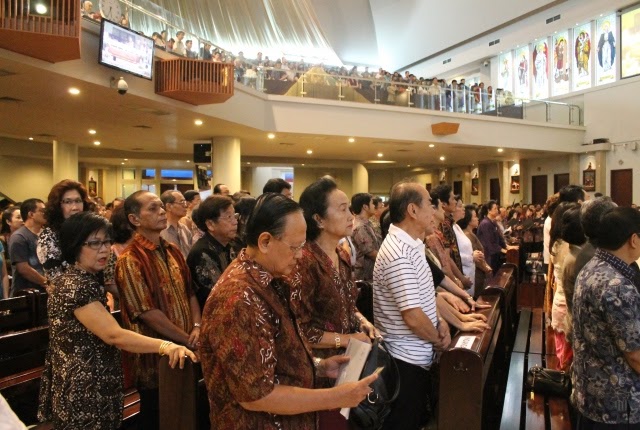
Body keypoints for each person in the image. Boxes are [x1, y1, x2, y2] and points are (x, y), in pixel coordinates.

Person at [199, 193, 378, 429]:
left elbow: (274, 357)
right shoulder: (238, 297)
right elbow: (257, 396)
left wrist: (317, 366)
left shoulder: (271, 277)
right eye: (295, 247)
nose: (300, 255)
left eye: (303, 246)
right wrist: (337, 397)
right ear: (265, 242)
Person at [37, 212, 196, 429]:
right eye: (94, 243)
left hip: (97, 382)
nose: (104, 249)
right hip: (84, 388)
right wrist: (165, 345)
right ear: (74, 245)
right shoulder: (75, 286)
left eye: (106, 242)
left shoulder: (86, 279)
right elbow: (114, 334)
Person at [288, 178, 379, 428]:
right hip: (320, 371)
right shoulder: (304, 261)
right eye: (342, 209)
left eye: (350, 208)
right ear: (318, 219)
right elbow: (300, 331)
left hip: (349, 363)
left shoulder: (342, 254)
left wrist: (363, 322)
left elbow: (348, 303)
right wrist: (347, 339)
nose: (351, 215)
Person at [116, 191, 202, 430]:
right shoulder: (130, 259)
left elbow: (190, 292)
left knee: (187, 413)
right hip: (154, 360)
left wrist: (197, 327)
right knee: (158, 418)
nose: (162, 211)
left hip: (186, 348)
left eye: (161, 207)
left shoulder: (173, 250)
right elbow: (146, 312)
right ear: (135, 219)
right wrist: (188, 340)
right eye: (153, 209)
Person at [373, 181, 450, 430]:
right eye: (429, 203)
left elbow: (423, 297)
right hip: (404, 361)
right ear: (412, 210)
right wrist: (438, 339)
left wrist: (440, 321)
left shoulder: (413, 245)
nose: (434, 210)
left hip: (416, 357)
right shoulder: (398, 253)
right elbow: (413, 316)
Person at [572, 207, 640, 428]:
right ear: (634, 239)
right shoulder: (617, 285)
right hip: (616, 405)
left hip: (592, 392)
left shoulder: (592, 266)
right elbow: (636, 356)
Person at [186, 195, 237, 309]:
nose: (235, 222)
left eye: (235, 216)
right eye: (229, 217)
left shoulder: (229, 245)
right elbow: (218, 294)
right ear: (210, 224)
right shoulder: (202, 252)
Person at [38, 179, 91, 283]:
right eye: (68, 202)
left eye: (78, 201)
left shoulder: (88, 230)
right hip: (66, 294)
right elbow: (56, 279)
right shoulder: (49, 235)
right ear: (57, 206)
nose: (75, 207)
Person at [549, 202, 580, 371]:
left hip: (560, 303)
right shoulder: (568, 248)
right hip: (565, 307)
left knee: (563, 358)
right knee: (567, 363)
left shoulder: (558, 243)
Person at [9, 199, 47, 296]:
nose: (46, 213)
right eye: (42, 211)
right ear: (31, 214)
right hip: (26, 294)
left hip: (44, 292)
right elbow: (23, 269)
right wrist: (47, 283)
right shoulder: (19, 237)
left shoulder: (46, 234)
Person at [457, 204, 492, 296]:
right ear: (468, 220)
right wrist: (486, 268)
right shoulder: (468, 235)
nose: (478, 219)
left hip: (478, 273)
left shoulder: (470, 233)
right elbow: (477, 257)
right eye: (475, 216)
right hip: (476, 274)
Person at [431, 184, 465, 278]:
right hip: (450, 277)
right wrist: (459, 279)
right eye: (453, 199)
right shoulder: (443, 224)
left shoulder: (448, 222)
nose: (455, 202)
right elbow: (446, 258)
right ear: (444, 204)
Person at [351, 193, 381, 282]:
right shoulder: (360, 227)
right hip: (364, 276)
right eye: (372, 203)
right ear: (365, 207)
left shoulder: (367, 224)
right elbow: (371, 252)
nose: (374, 206)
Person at [477, 200, 508, 273]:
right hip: (489, 255)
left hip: (495, 254)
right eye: (495, 209)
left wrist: (506, 247)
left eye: (497, 208)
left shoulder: (493, 222)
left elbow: (499, 237)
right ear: (489, 211)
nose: (497, 211)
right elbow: (490, 243)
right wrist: (504, 250)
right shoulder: (485, 223)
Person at [160, 190, 193, 258]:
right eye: (182, 202)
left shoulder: (184, 229)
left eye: (185, 202)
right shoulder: (160, 230)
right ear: (169, 206)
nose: (186, 205)